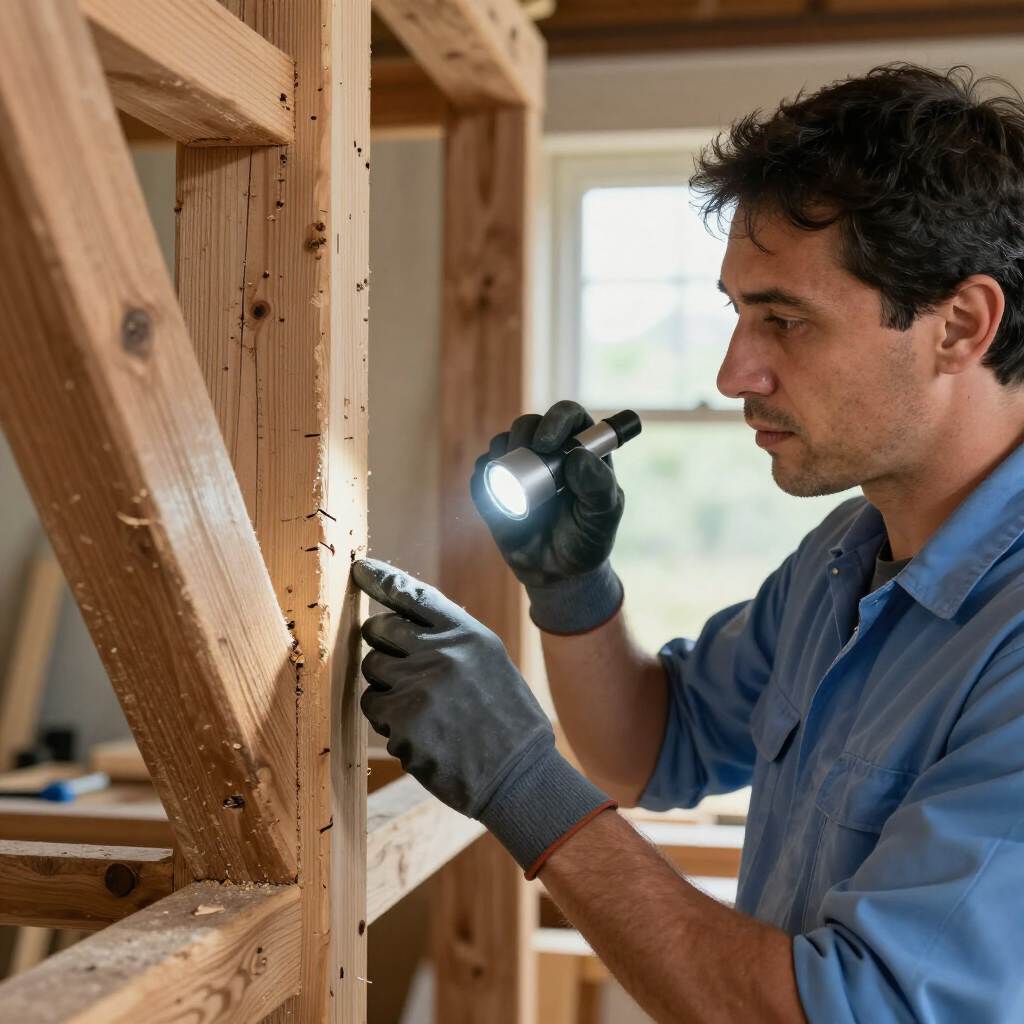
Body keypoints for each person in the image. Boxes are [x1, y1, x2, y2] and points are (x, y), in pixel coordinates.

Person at [351, 65, 1024, 1023]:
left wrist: (519, 781)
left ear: (959, 325)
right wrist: (573, 588)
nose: (733, 373)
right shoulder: (844, 558)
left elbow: (842, 1009)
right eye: (738, 314)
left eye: (784, 320)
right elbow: (645, 752)